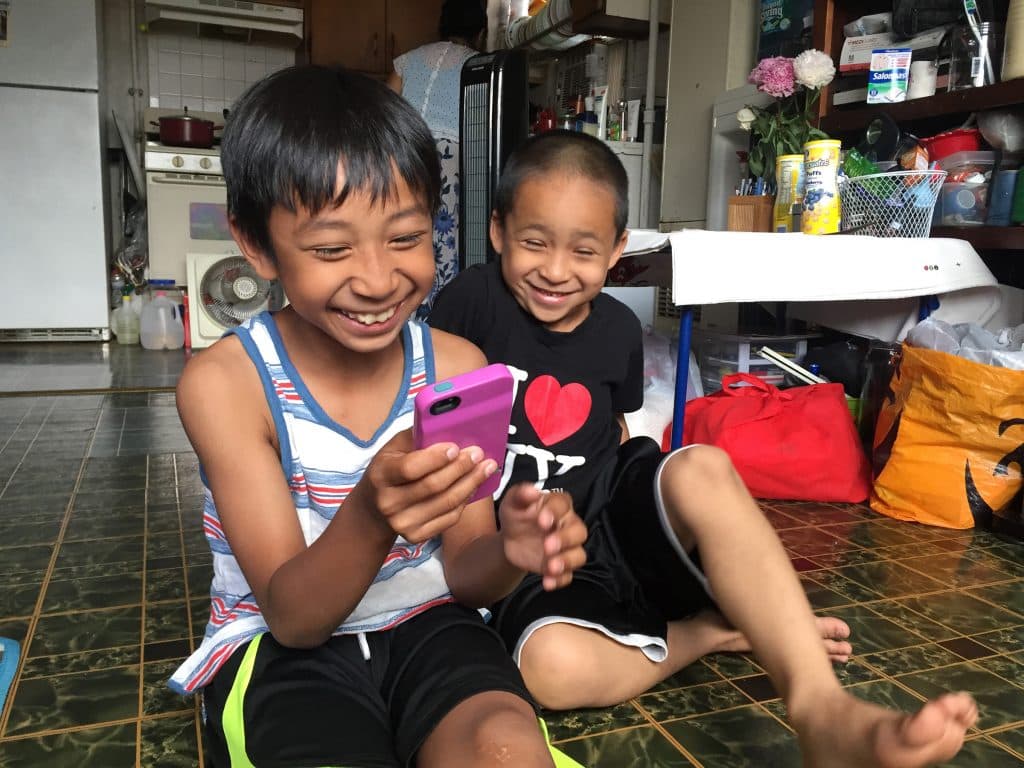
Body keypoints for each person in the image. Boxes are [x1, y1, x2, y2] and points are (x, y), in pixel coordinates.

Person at [429, 129, 978, 768]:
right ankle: (709, 633)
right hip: (525, 553)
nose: (555, 270)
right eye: (533, 243)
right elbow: (442, 417)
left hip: (606, 511)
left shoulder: (614, 328)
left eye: (583, 250)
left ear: (616, 253)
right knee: (550, 671)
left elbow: (615, 433)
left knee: (704, 466)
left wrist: (658, 505)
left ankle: (821, 709)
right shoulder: (471, 300)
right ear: (497, 232)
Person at [168, 67, 589, 768]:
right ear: (256, 245)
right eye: (331, 249)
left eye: (405, 237)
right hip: (281, 652)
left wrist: (511, 553)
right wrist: (371, 512)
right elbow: (295, 619)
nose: (377, 278)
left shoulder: (455, 367)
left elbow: (465, 577)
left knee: (504, 748)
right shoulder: (226, 385)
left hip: (431, 626)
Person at [388, 0, 487, 317]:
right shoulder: (480, 64)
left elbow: (384, 115)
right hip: (454, 160)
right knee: (446, 242)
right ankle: (439, 320)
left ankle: (402, 314)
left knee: (404, 233)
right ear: (481, 31)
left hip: (405, 154)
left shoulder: (407, 60)